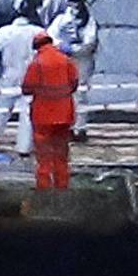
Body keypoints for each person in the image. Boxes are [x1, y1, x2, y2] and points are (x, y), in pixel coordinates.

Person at [21, 28, 80, 190]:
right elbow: (74, 83)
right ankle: (62, 185)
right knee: (61, 152)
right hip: (65, 114)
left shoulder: (36, 63)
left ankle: (44, 187)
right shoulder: (66, 60)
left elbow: (26, 88)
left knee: (44, 154)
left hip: (43, 116)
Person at [0, 4, 40, 155]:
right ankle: (24, 148)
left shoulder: (3, 32)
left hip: (8, 76)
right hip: (31, 77)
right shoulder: (39, 32)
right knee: (27, 113)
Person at [52, 0, 100, 136]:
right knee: (61, 93)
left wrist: (74, 49)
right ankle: (64, 125)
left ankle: (80, 127)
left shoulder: (89, 22)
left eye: (77, 2)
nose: (74, 5)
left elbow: (90, 42)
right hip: (63, 60)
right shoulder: (60, 20)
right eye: (71, 2)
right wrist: (60, 45)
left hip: (81, 61)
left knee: (80, 94)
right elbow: (51, 36)